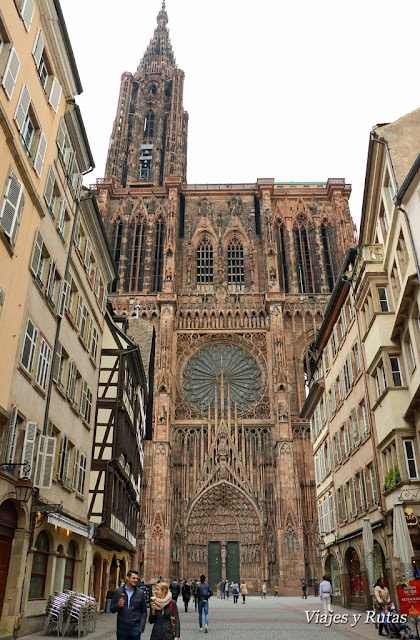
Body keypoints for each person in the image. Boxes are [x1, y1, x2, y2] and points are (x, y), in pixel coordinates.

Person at [110, 570, 147, 640]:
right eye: (133, 578)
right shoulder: (118, 592)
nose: (135, 580)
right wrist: (117, 605)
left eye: (137, 579)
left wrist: (141, 627)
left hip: (135, 628)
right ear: (127, 578)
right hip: (122, 628)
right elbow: (112, 609)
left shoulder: (140, 593)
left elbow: (144, 611)